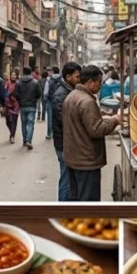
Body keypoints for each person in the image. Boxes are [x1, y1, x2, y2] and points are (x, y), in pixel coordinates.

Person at [62, 65, 121, 201]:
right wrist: (115, 120)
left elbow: (79, 119)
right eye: (99, 82)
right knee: (88, 203)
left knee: (76, 199)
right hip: (86, 161)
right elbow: (97, 130)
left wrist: (100, 114)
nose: (100, 86)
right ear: (90, 82)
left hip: (73, 158)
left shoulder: (72, 96)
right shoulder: (87, 101)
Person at [51, 62, 80, 202]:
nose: (79, 79)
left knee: (69, 178)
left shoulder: (69, 91)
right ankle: (62, 208)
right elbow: (64, 119)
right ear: (68, 77)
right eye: (77, 76)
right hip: (63, 143)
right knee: (66, 179)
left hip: (67, 142)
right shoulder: (60, 95)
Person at [11, 66, 40, 150]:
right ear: (31, 72)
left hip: (22, 106)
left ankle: (24, 140)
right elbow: (39, 94)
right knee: (30, 123)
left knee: (23, 123)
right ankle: (29, 140)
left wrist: (20, 100)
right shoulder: (35, 82)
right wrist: (33, 99)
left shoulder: (19, 82)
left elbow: (15, 94)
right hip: (32, 105)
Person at [3, 70, 20, 144]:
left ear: (16, 76)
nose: (13, 76)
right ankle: (11, 131)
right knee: (7, 121)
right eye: (12, 75)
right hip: (8, 104)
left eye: (14, 75)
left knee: (14, 120)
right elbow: (4, 93)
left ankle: (12, 135)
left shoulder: (18, 84)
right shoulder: (7, 83)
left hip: (16, 104)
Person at [44, 66, 60, 139]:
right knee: (58, 117)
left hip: (50, 101)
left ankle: (49, 134)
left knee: (50, 118)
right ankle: (57, 133)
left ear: (52, 72)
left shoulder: (49, 81)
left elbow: (45, 93)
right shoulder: (62, 80)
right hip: (59, 101)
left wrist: (45, 99)